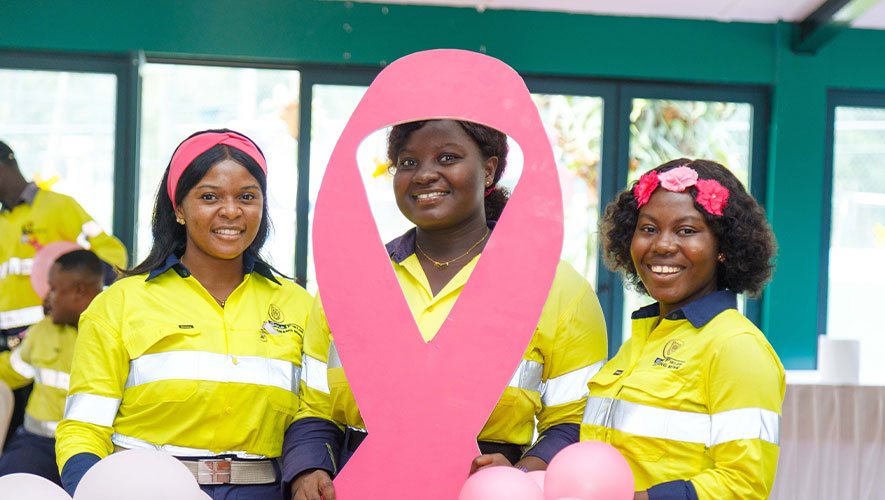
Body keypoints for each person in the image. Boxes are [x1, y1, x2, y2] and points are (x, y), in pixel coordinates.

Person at [283, 119, 608, 499]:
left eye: (447, 157)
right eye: (408, 163)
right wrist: (309, 469)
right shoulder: (350, 281)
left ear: (488, 170)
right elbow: (315, 408)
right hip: (360, 485)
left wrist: (521, 474)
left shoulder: (557, 287)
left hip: (484, 489)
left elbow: (577, 421)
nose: (424, 175)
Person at [54, 129, 312, 499]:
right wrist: (91, 490)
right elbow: (84, 426)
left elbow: (315, 416)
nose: (231, 210)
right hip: (144, 492)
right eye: (209, 197)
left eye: (247, 197)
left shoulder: (300, 306)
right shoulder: (120, 303)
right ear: (178, 208)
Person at [582, 159, 784, 500]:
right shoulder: (640, 342)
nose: (662, 245)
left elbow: (744, 486)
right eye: (648, 229)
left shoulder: (737, 347)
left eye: (686, 231)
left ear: (723, 248)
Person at [0, 140, 127, 450]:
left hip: (54, 339)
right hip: (9, 347)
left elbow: (113, 255)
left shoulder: (60, 206)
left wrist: (79, 285)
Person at [0, 249, 104, 484]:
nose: (46, 298)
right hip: (35, 444)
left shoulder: (113, 334)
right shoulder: (42, 331)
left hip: (91, 449)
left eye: (54, 289)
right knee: (9, 484)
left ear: (79, 290)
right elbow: (10, 371)